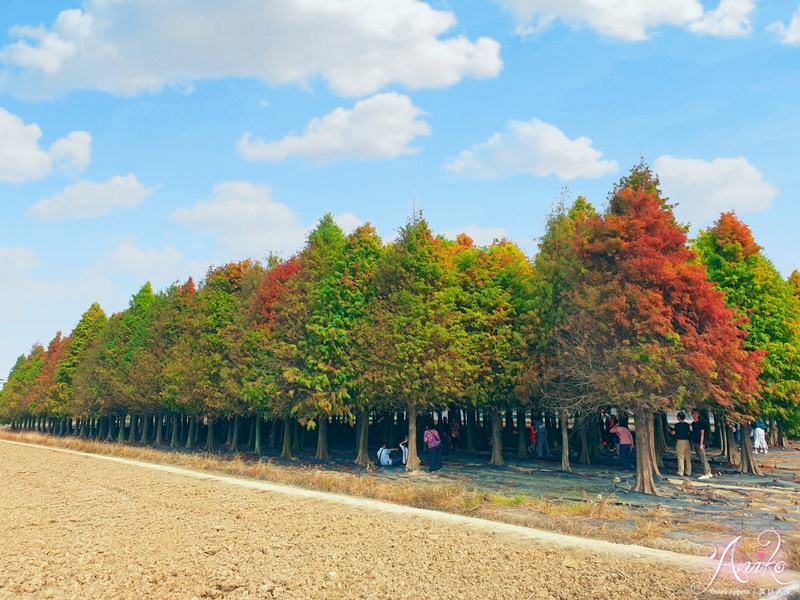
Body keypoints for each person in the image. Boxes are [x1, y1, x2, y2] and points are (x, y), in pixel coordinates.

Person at [690, 408, 712, 480]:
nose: (695, 415)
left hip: (700, 443)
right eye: (694, 414)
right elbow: (694, 433)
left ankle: (706, 473)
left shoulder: (701, 423)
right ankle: (709, 472)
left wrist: (701, 444)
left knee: (703, 458)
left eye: (696, 414)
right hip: (695, 442)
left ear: (698, 415)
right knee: (701, 458)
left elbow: (702, 434)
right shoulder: (693, 423)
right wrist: (693, 443)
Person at [669, 412, 692, 477]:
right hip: (686, 441)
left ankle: (681, 471)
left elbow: (673, 433)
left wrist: (669, 430)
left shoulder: (677, 425)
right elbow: (688, 432)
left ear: (679, 417)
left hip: (680, 441)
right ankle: (688, 471)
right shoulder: (687, 425)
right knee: (687, 457)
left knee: (680, 457)